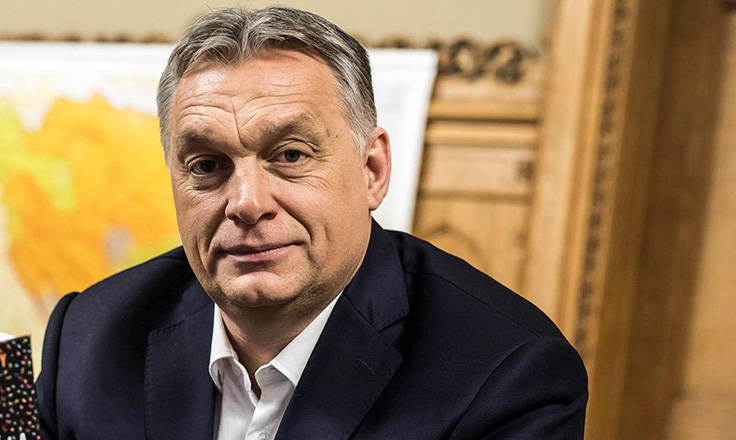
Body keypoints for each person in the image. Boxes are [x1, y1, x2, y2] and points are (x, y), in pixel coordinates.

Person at [36, 6, 587, 439]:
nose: (247, 203)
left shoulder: (505, 378)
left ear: (372, 170)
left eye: (291, 156)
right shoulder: (89, 337)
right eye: (207, 166)